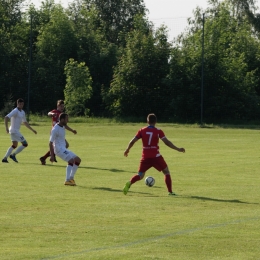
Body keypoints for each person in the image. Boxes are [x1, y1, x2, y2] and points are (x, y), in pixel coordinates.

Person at [123, 113, 185, 196]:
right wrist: (178, 149)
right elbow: (167, 142)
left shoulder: (142, 130)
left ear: (147, 121)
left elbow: (132, 141)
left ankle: (130, 183)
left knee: (140, 175)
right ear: (156, 121)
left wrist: (127, 149)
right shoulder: (158, 131)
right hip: (156, 157)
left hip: (145, 157)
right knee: (166, 172)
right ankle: (170, 192)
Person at [39, 100, 77, 165]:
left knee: (64, 145)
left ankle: (45, 157)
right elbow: (48, 113)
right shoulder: (55, 112)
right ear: (58, 106)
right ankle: (50, 156)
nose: (62, 108)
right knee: (61, 146)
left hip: (59, 132)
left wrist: (72, 130)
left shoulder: (62, 114)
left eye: (63, 106)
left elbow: (65, 125)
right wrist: (52, 114)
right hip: (55, 132)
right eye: (61, 106)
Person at [49, 113, 81, 186]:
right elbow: (50, 143)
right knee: (71, 160)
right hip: (59, 149)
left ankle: (71, 178)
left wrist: (72, 130)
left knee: (78, 159)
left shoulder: (62, 125)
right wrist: (52, 155)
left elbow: (65, 126)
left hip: (63, 148)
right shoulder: (55, 129)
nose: (68, 120)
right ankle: (67, 180)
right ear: (62, 119)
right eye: (67, 119)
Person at [2, 98, 37, 163]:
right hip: (14, 131)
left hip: (14, 131)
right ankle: (13, 155)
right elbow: (6, 117)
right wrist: (6, 128)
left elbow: (25, 122)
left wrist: (32, 130)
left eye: (22, 104)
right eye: (19, 104)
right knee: (25, 144)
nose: (21, 105)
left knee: (14, 145)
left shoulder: (22, 112)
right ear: (17, 104)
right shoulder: (15, 111)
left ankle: (5, 158)